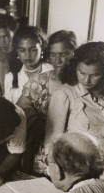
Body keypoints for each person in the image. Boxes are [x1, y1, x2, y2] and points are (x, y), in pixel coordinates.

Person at [44, 41, 104, 186]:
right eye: (82, 73)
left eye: (95, 75)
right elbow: (52, 143)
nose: (87, 80)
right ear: (75, 67)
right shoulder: (64, 94)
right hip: (80, 172)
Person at [17, 30, 77, 174]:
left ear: (74, 53)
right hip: (43, 147)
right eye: (53, 54)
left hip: (75, 149)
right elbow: (19, 111)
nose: (57, 60)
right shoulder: (38, 82)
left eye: (63, 54)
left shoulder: (81, 83)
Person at [4, 26, 52, 105]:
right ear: (17, 52)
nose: (27, 55)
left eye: (33, 50)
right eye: (22, 50)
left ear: (42, 49)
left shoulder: (51, 71)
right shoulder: (10, 77)